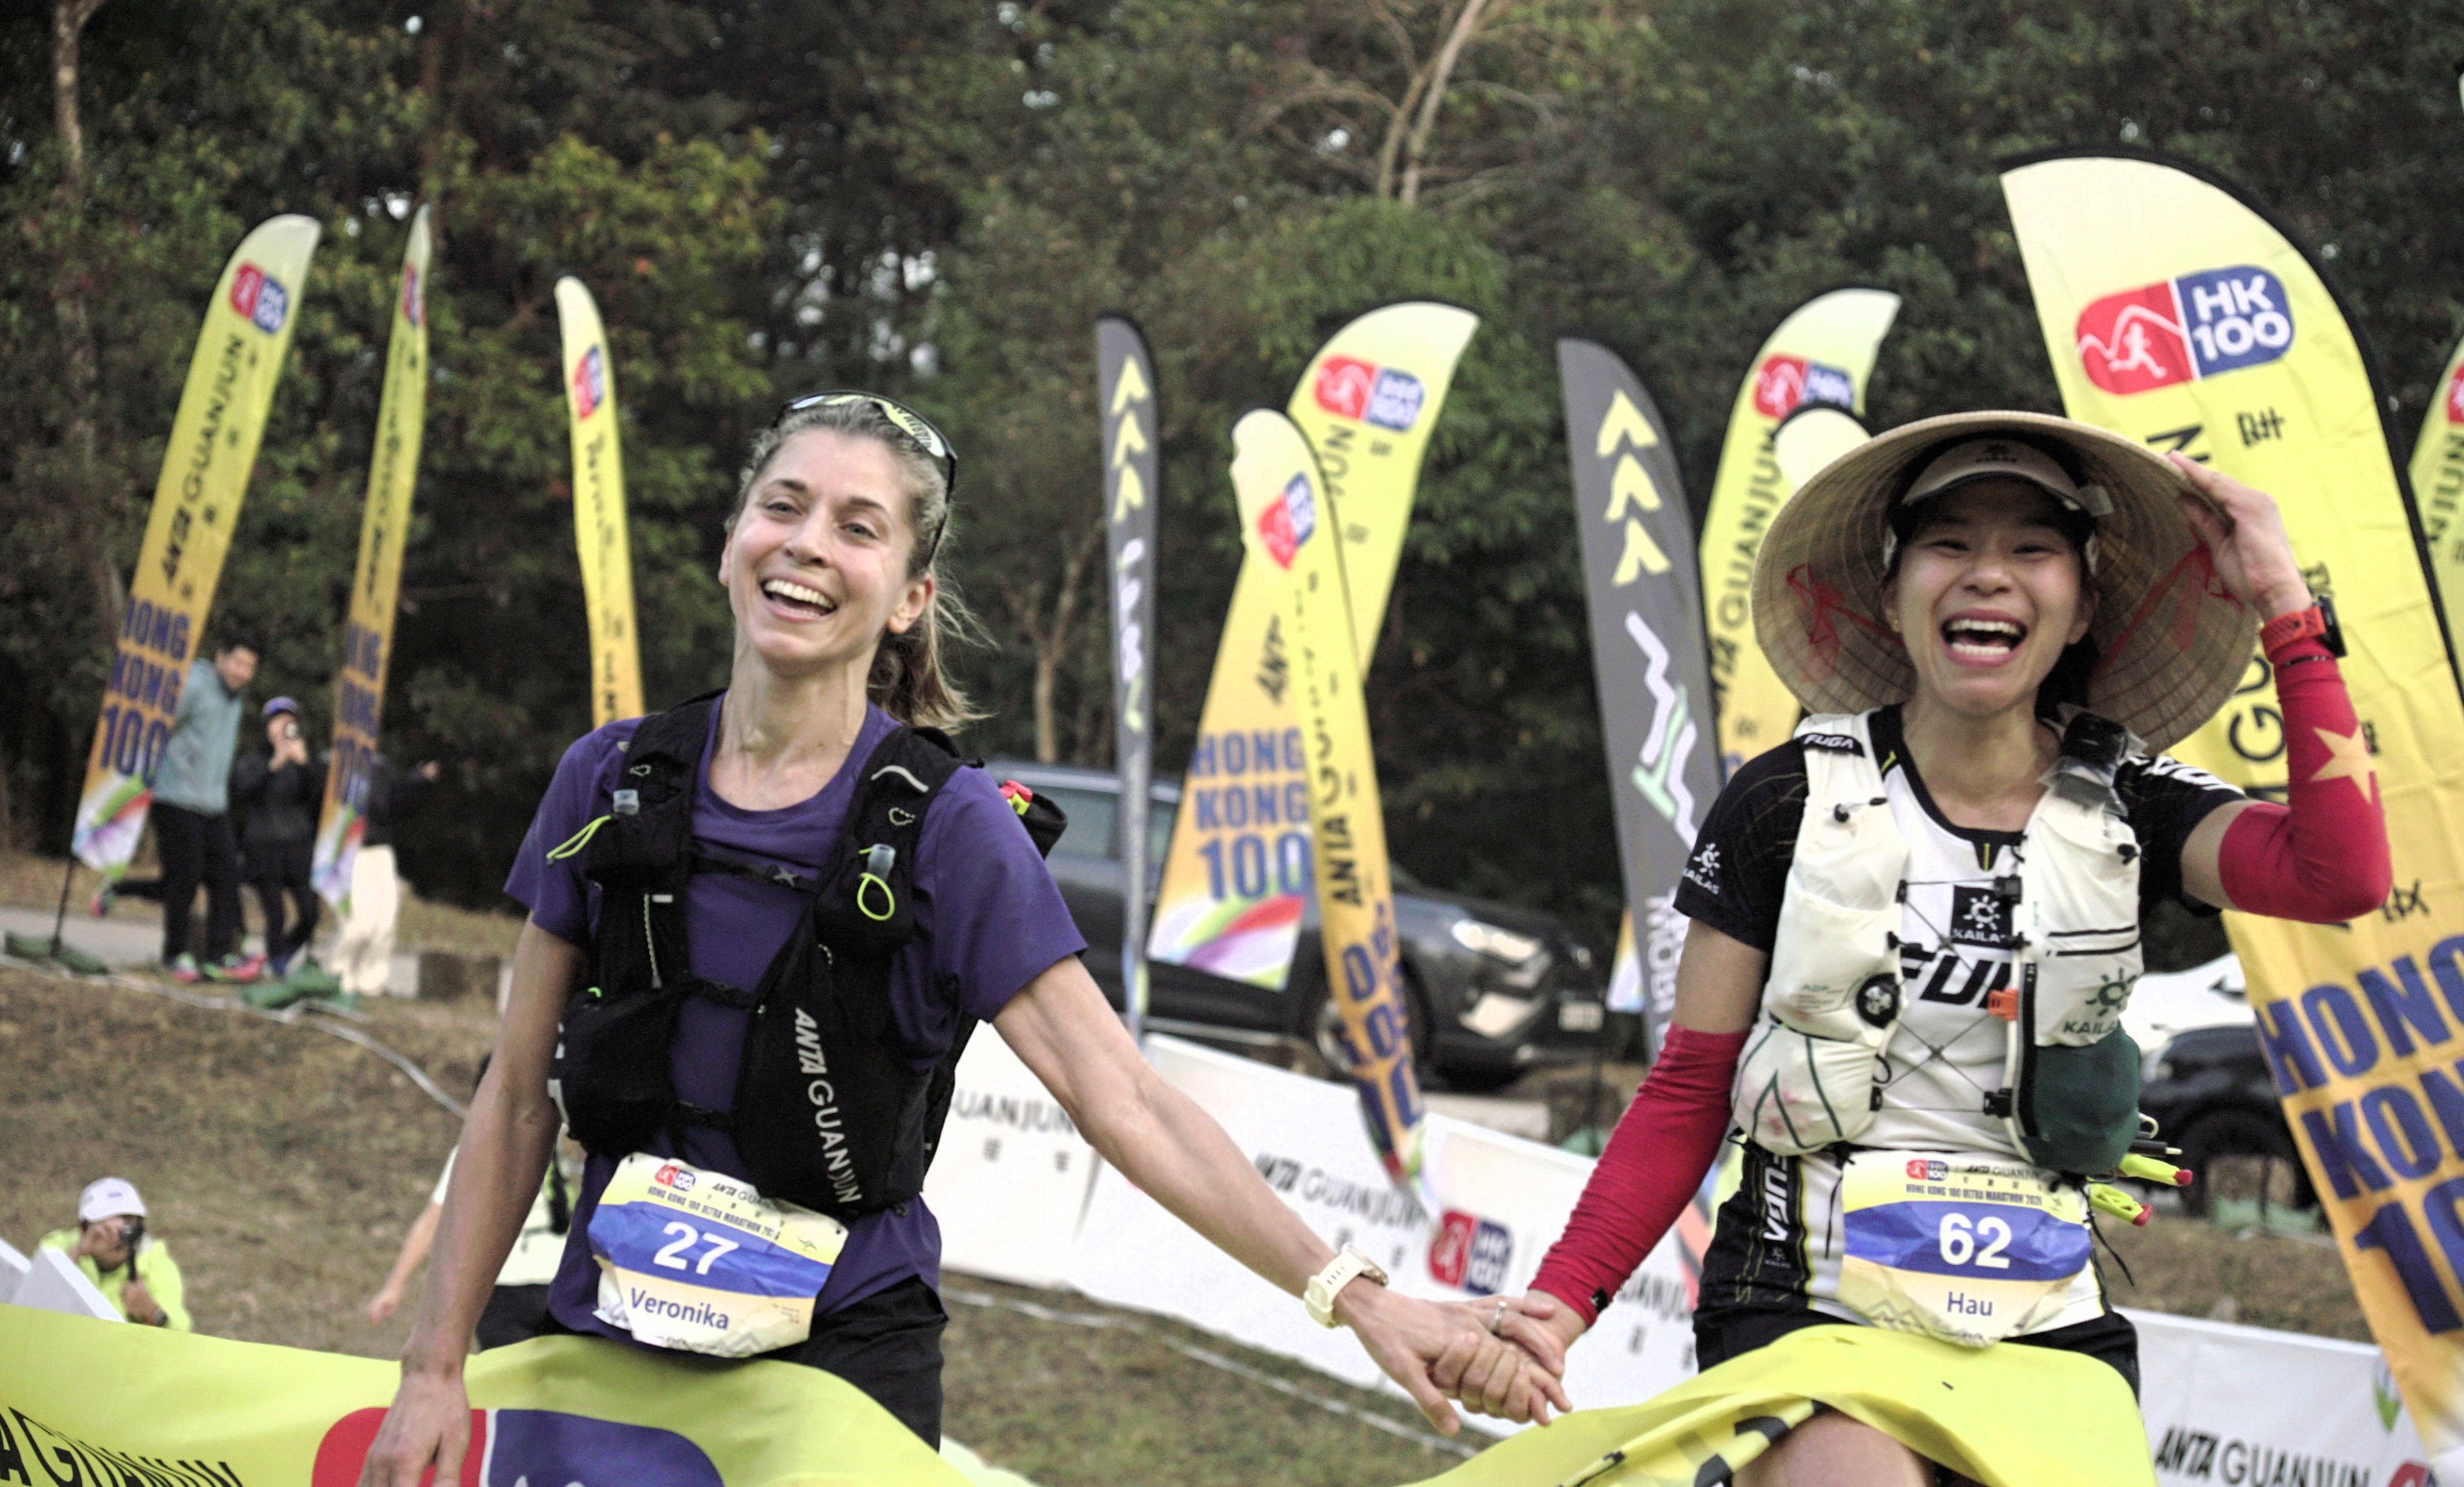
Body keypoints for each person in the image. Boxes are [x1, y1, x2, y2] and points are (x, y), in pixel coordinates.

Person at [357, 393, 1557, 1486]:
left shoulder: (951, 828)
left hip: (841, 1366)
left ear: (909, 596)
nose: (809, 544)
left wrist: (1353, 1294)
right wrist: (433, 1361)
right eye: (784, 506)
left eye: (858, 526)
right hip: (606, 1329)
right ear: (731, 540)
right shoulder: (608, 775)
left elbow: (1124, 1097)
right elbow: (517, 1096)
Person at [1488, 414, 2390, 1483]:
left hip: (2050, 1334)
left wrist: (2287, 603)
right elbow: (1691, 1082)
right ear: (1891, 592)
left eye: (2031, 547)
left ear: (2082, 604)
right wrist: (1559, 1300)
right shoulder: (1784, 799)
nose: (1988, 575)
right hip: (1808, 1313)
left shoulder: (2134, 800)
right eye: (1951, 543)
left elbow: (2343, 874)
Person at [369, 1059, 571, 1347]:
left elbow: (431, 1223)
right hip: (541, 1283)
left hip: (514, 1286)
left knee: (514, 1384)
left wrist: (394, 1287)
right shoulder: (546, 1146)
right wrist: (394, 1287)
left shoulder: (479, 1151)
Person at [103, 638, 265, 983]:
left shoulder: (235, 697)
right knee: (184, 882)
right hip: (175, 798)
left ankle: (220, 956)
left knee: (226, 879)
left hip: (213, 804)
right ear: (220, 657)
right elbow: (155, 726)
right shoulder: (193, 685)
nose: (242, 673)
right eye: (237, 663)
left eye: (249, 667)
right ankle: (175, 955)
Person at [320, 753, 442, 997]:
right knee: (358, 922)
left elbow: (391, 805)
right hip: (348, 851)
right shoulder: (331, 762)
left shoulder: (380, 765)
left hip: (379, 849)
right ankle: (336, 975)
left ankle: (370, 983)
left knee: (384, 920)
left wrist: (418, 781)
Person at [234, 696, 330, 979]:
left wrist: (303, 764)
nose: (283, 727)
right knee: (276, 914)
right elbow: (242, 792)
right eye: (277, 721)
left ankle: (285, 952)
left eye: (289, 721)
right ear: (267, 727)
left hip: (298, 846)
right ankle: (275, 965)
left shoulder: (305, 760)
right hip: (264, 847)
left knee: (310, 912)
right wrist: (273, 765)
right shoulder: (255, 759)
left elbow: (321, 799)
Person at [37, 1178, 193, 1331]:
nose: (117, 1239)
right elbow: (34, 1297)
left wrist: (152, 1312)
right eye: (105, 1229)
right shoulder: (57, 1247)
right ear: (84, 1228)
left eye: (128, 1225)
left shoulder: (154, 1262)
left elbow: (182, 1332)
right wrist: (76, 1254)